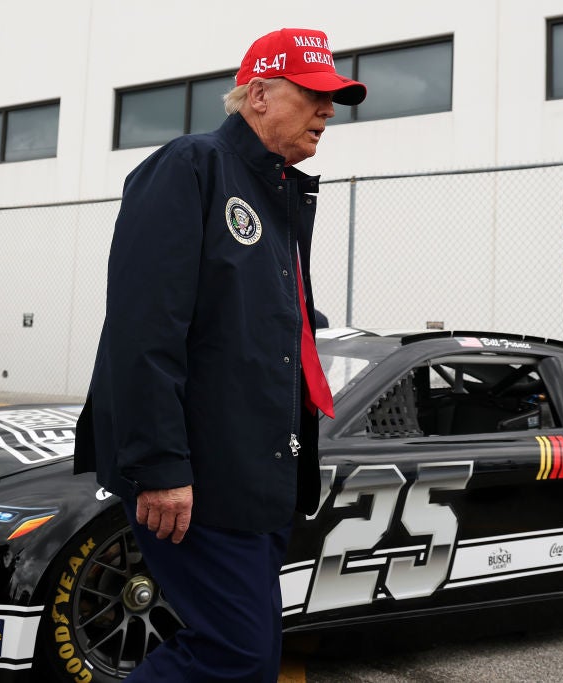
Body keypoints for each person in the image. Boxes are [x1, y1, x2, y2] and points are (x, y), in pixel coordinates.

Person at [74, 27, 366, 682]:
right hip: (197, 477)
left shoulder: (279, 191)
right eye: (314, 94)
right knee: (234, 652)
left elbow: (246, 325)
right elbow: (144, 327)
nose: (328, 110)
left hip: (259, 476)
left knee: (255, 657)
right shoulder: (191, 166)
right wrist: (159, 462)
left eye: (334, 98)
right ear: (258, 95)